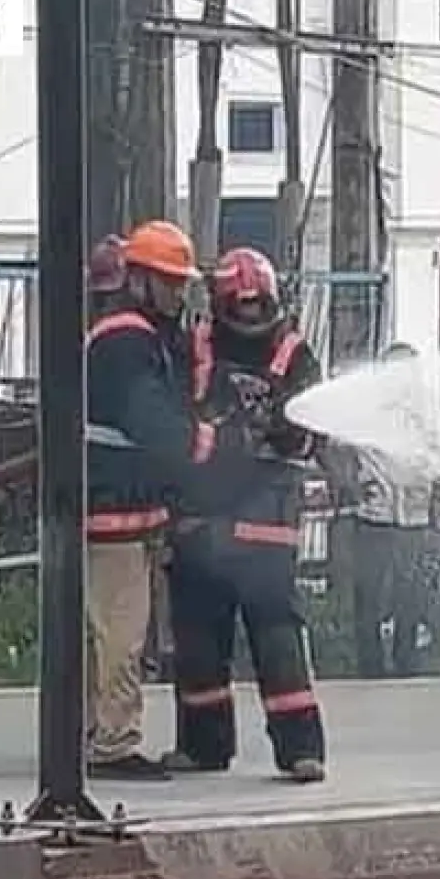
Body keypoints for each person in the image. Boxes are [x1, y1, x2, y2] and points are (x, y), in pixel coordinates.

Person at [164, 246, 329, 782]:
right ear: (219, 304)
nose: (254, 318)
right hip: (201, 513)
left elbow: (311, 434)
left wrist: (282, 429)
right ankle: (204, 746)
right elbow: (172, 413)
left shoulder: (295, 354)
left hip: (265, 517)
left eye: (261, 307)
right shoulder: (194, 345)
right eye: (244, 308)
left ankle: (301, 750)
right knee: (197, 639)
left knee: (277, 635)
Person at [83, 220, 204, 781]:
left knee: (109, 630)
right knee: (122, 632)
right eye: (171, 283)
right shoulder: (125, 338)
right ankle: (114, 744)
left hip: (121, 506)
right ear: (140, 280)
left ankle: (92, 733)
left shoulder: (134, 333)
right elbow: (149, 419)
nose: (179, 295)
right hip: (112, 508)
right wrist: (206, 443)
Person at [346, 343, 440, 676]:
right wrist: (351, 484)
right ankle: (370, 666)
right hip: (375, 515)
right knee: (370, 594)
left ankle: (407, 661)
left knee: (411, 593)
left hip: (415, 517)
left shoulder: (427, 412)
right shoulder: (364, 408)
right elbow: (338, 447)